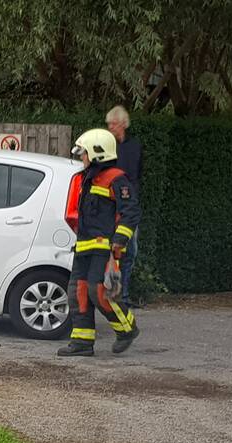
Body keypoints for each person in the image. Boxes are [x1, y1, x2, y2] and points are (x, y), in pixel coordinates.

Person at [58, 128, 141, 357]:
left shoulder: (116, 179)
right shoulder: (87, 178)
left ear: (97, 153)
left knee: (99, 292)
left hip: (104, 247)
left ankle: (127, 329)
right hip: (84, 246)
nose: (81, 157)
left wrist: (119, 241)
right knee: (78, 292)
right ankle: (82, 343)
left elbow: (130, 213)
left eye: (84, 153)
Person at [106, 105, 143, 308]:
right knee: (113, 250)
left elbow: (138, 174)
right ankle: (112, 293)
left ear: (122, 124)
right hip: (111, 205)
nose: (110, 127)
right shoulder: (108, 147)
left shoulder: (134, 146)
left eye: (112, 123)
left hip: (130, 207)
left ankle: (124, 296)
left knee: (131, 252)